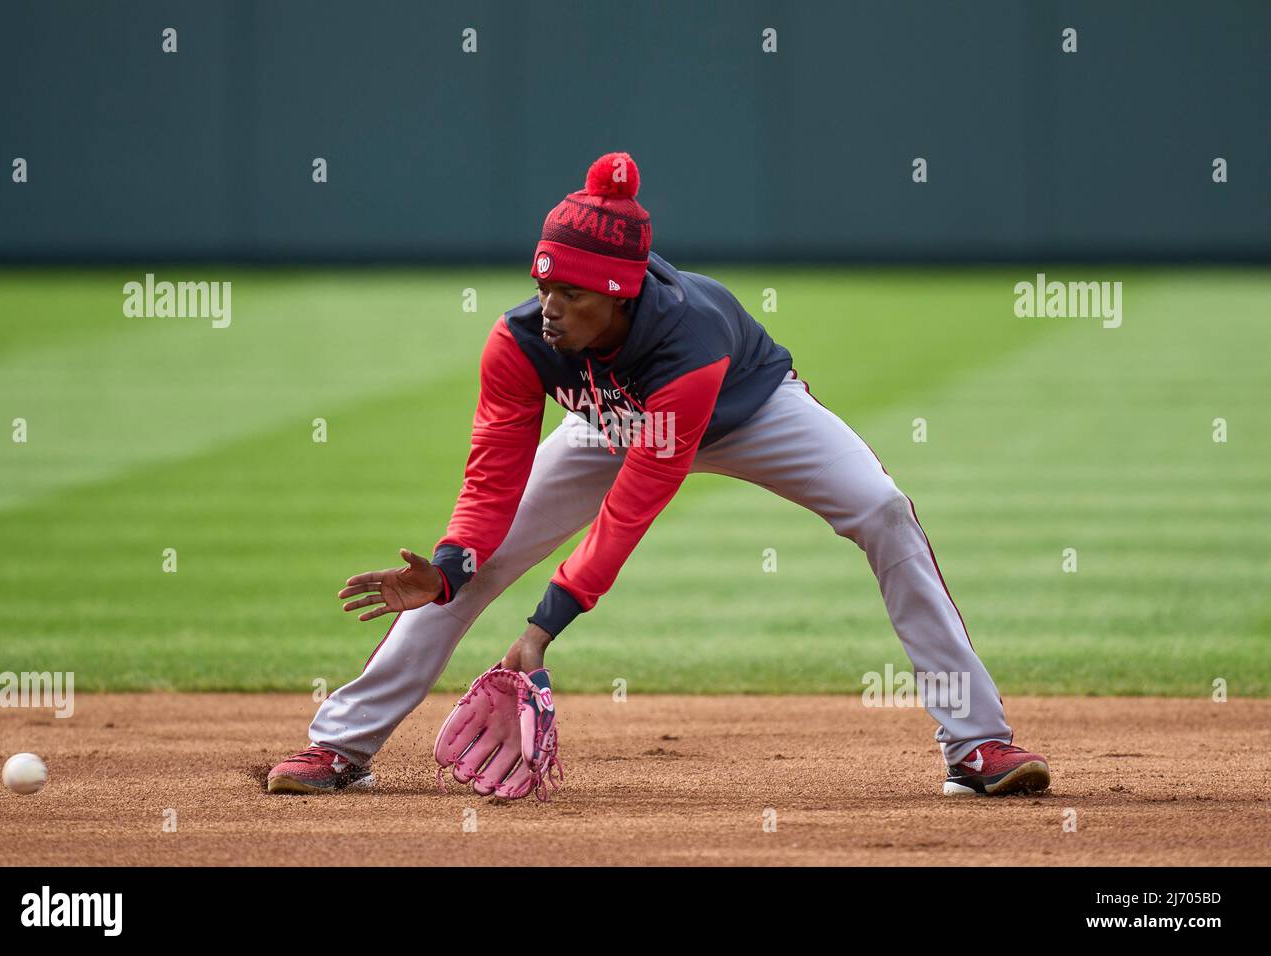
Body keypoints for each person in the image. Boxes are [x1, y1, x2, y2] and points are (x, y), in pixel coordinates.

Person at [267, 151, 1051, 799]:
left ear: (620, 296)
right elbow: (492, 476)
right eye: (542, 287)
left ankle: (976, 745)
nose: (548, 309)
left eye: (569, 294)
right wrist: (448, 564)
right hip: (605, 423)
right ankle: (341, 746)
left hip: (749, 413)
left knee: (883, 511)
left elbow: (638, 501)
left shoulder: (691, 342)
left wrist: (543, 630)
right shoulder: (518, 341)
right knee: (474, 567)